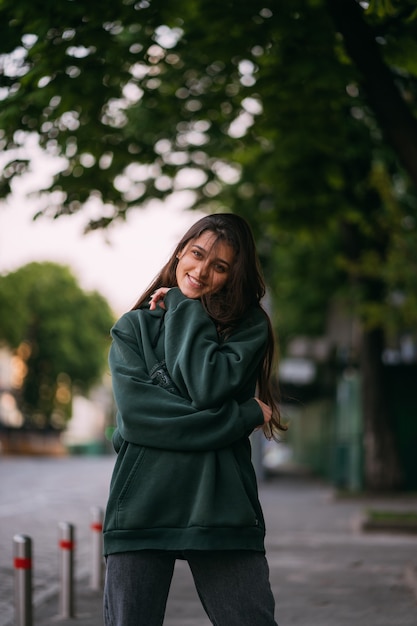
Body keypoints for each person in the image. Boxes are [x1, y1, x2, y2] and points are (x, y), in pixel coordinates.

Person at [103, 213, 286, 626]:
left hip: (220, 503)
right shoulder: (133, 329)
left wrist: (184, 308)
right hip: (142, 505)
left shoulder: (248, 328)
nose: (202, 271)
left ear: (233, 276)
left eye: (219, 267)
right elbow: (138, 419)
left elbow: (207, 385)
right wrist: (240, 415)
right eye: (197, 254)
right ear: (180, 252)